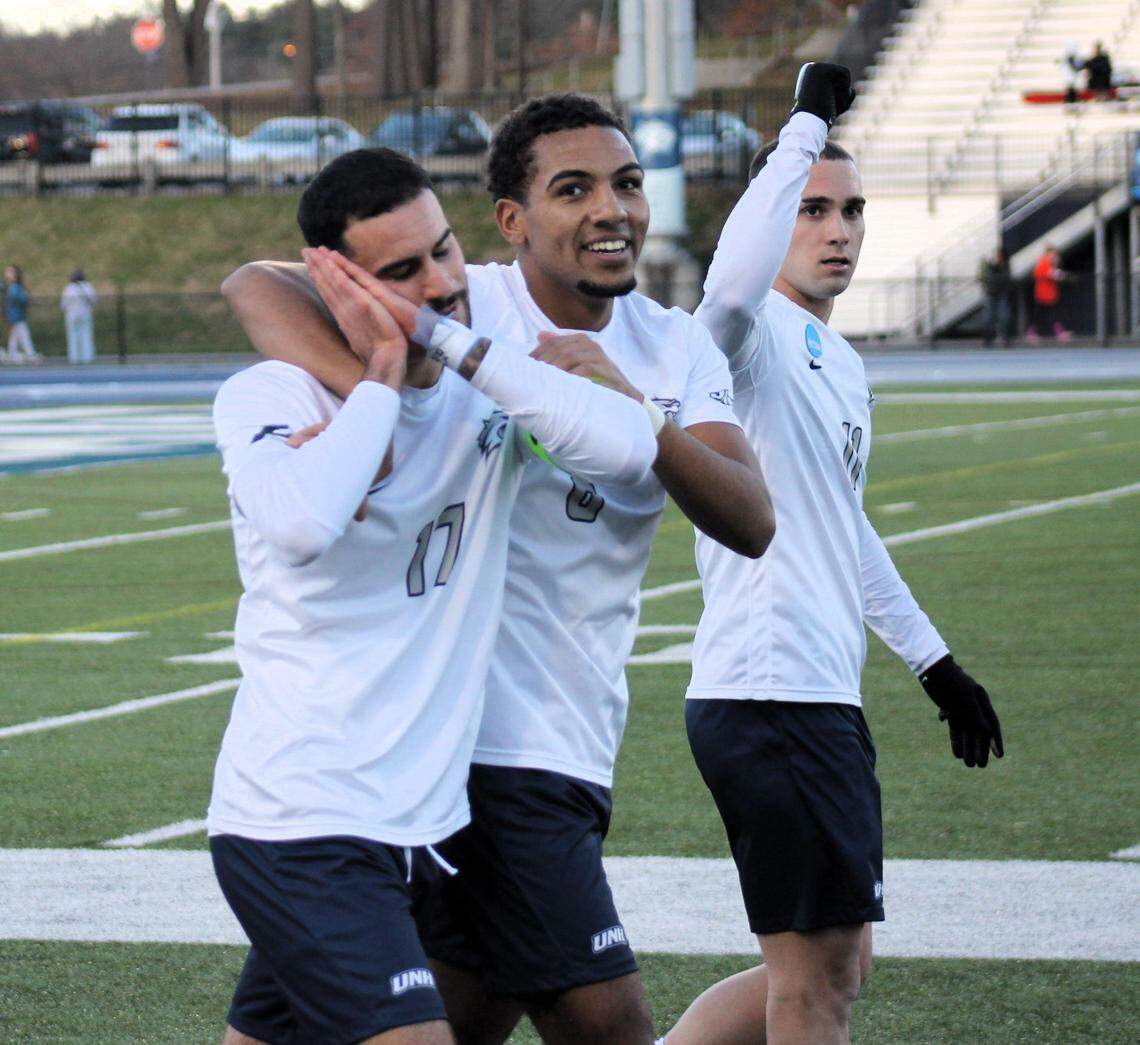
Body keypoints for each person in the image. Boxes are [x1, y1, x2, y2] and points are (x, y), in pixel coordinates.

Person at [222, 95, 774, 1045]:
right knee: (606, 1019)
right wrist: (377, 403)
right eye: (574, 189)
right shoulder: (465, 301)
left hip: (525, 743)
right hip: (488, 755)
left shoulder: (671, 344)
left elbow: (749, 516)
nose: (612, 209)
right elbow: (256, 282)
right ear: (512, 221)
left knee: (422, 1016)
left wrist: (632, 403)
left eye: (629, 184)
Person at [664, 64, 1005, 1045]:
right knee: (814, 982)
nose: (839, 228)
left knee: (836, 964)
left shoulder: (838, 359)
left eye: (853, 210)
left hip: (816, 692)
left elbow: (843, 527)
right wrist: (803, 127)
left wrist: (934, 663)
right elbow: (727, 287)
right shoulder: (748, 336)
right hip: (770, 695)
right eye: (814, 208)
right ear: (777, 215)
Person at [1027, 244, 1071, 343]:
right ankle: (1032, 333)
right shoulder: (1043, 263)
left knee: (1053, 315)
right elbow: (1050, 274)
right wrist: (1061, 275)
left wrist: (1061, 274)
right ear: (1048, 254)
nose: (1054, 256)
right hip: (1042, 295)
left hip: (1050, 295)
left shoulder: (1050, 264)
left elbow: (1054, 274)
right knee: (1039, 316)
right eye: (1052, 254)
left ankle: (1059, 333)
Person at [61, 269, 98, 364]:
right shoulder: (88, 287)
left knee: (73, 336)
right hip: (86, 314)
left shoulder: (69, 288)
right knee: (86, 335)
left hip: (72, 315)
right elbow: (94, 301)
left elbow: (63, 304)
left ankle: (74, 357)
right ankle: (87, 357)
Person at [978, 246, 1011, 347]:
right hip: (989, 293)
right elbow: (984, 277)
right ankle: (987, 339)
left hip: (1001, 293)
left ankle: (1004, 338)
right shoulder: (988, 264)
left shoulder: (1005, 265)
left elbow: (1006, 277)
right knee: (987, 317)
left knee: (1003, 316)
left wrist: (999, 268)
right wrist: (993, 267)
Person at [4, 265, 38, 362]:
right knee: (21, 335)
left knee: (19, 335)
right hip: (15, 317)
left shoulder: (15, 288)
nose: (7, 274)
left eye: (10, 272)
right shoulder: (13, 287)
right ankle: (27, 354)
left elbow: (23, 300)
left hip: (17, 316)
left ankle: (15, 354)